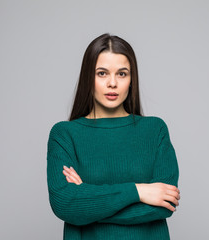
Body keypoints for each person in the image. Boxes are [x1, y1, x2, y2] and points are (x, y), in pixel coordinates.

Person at [47, 33, 180, 240]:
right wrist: (139, 191)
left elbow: (165, 205)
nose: (112, 83)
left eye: (122, 74)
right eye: (102, 73)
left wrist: (89, 202)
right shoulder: (64, 134)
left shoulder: (155, 130)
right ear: (88, 77)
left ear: (131, 79)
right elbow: (65, 204)